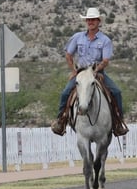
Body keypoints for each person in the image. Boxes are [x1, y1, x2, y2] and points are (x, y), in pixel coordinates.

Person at [50, 7, 128, 136]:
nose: (90, 22)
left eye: (93, 19)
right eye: (88, 20)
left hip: (97, 72)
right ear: (86, 21)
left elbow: (105, 60)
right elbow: (68, 55)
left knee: (116, 92)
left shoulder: (105, 40)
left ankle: (118, 122)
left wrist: (96, 70)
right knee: (65, 93)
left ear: (98, 21)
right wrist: (73, 70)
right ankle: (61, 121)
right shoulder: (77, 37)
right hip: (81, 73)